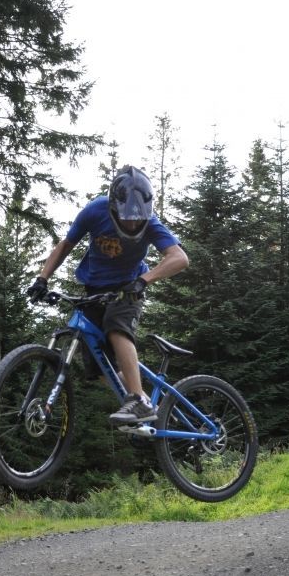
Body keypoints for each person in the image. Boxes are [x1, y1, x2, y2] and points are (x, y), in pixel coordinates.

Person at [27, 165, 189, 423]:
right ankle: (145, 406)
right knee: (101, 367)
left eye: (139, 218)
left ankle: (137, 401)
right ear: (114, 206)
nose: (133, 222)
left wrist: (142, 281)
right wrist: (41, 278)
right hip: (94, 290)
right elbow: (66, 244)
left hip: (128, 289)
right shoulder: (95, 210)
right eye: (127, 217)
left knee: (116, 328)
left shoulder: (150, 223)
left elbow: (179, 258)